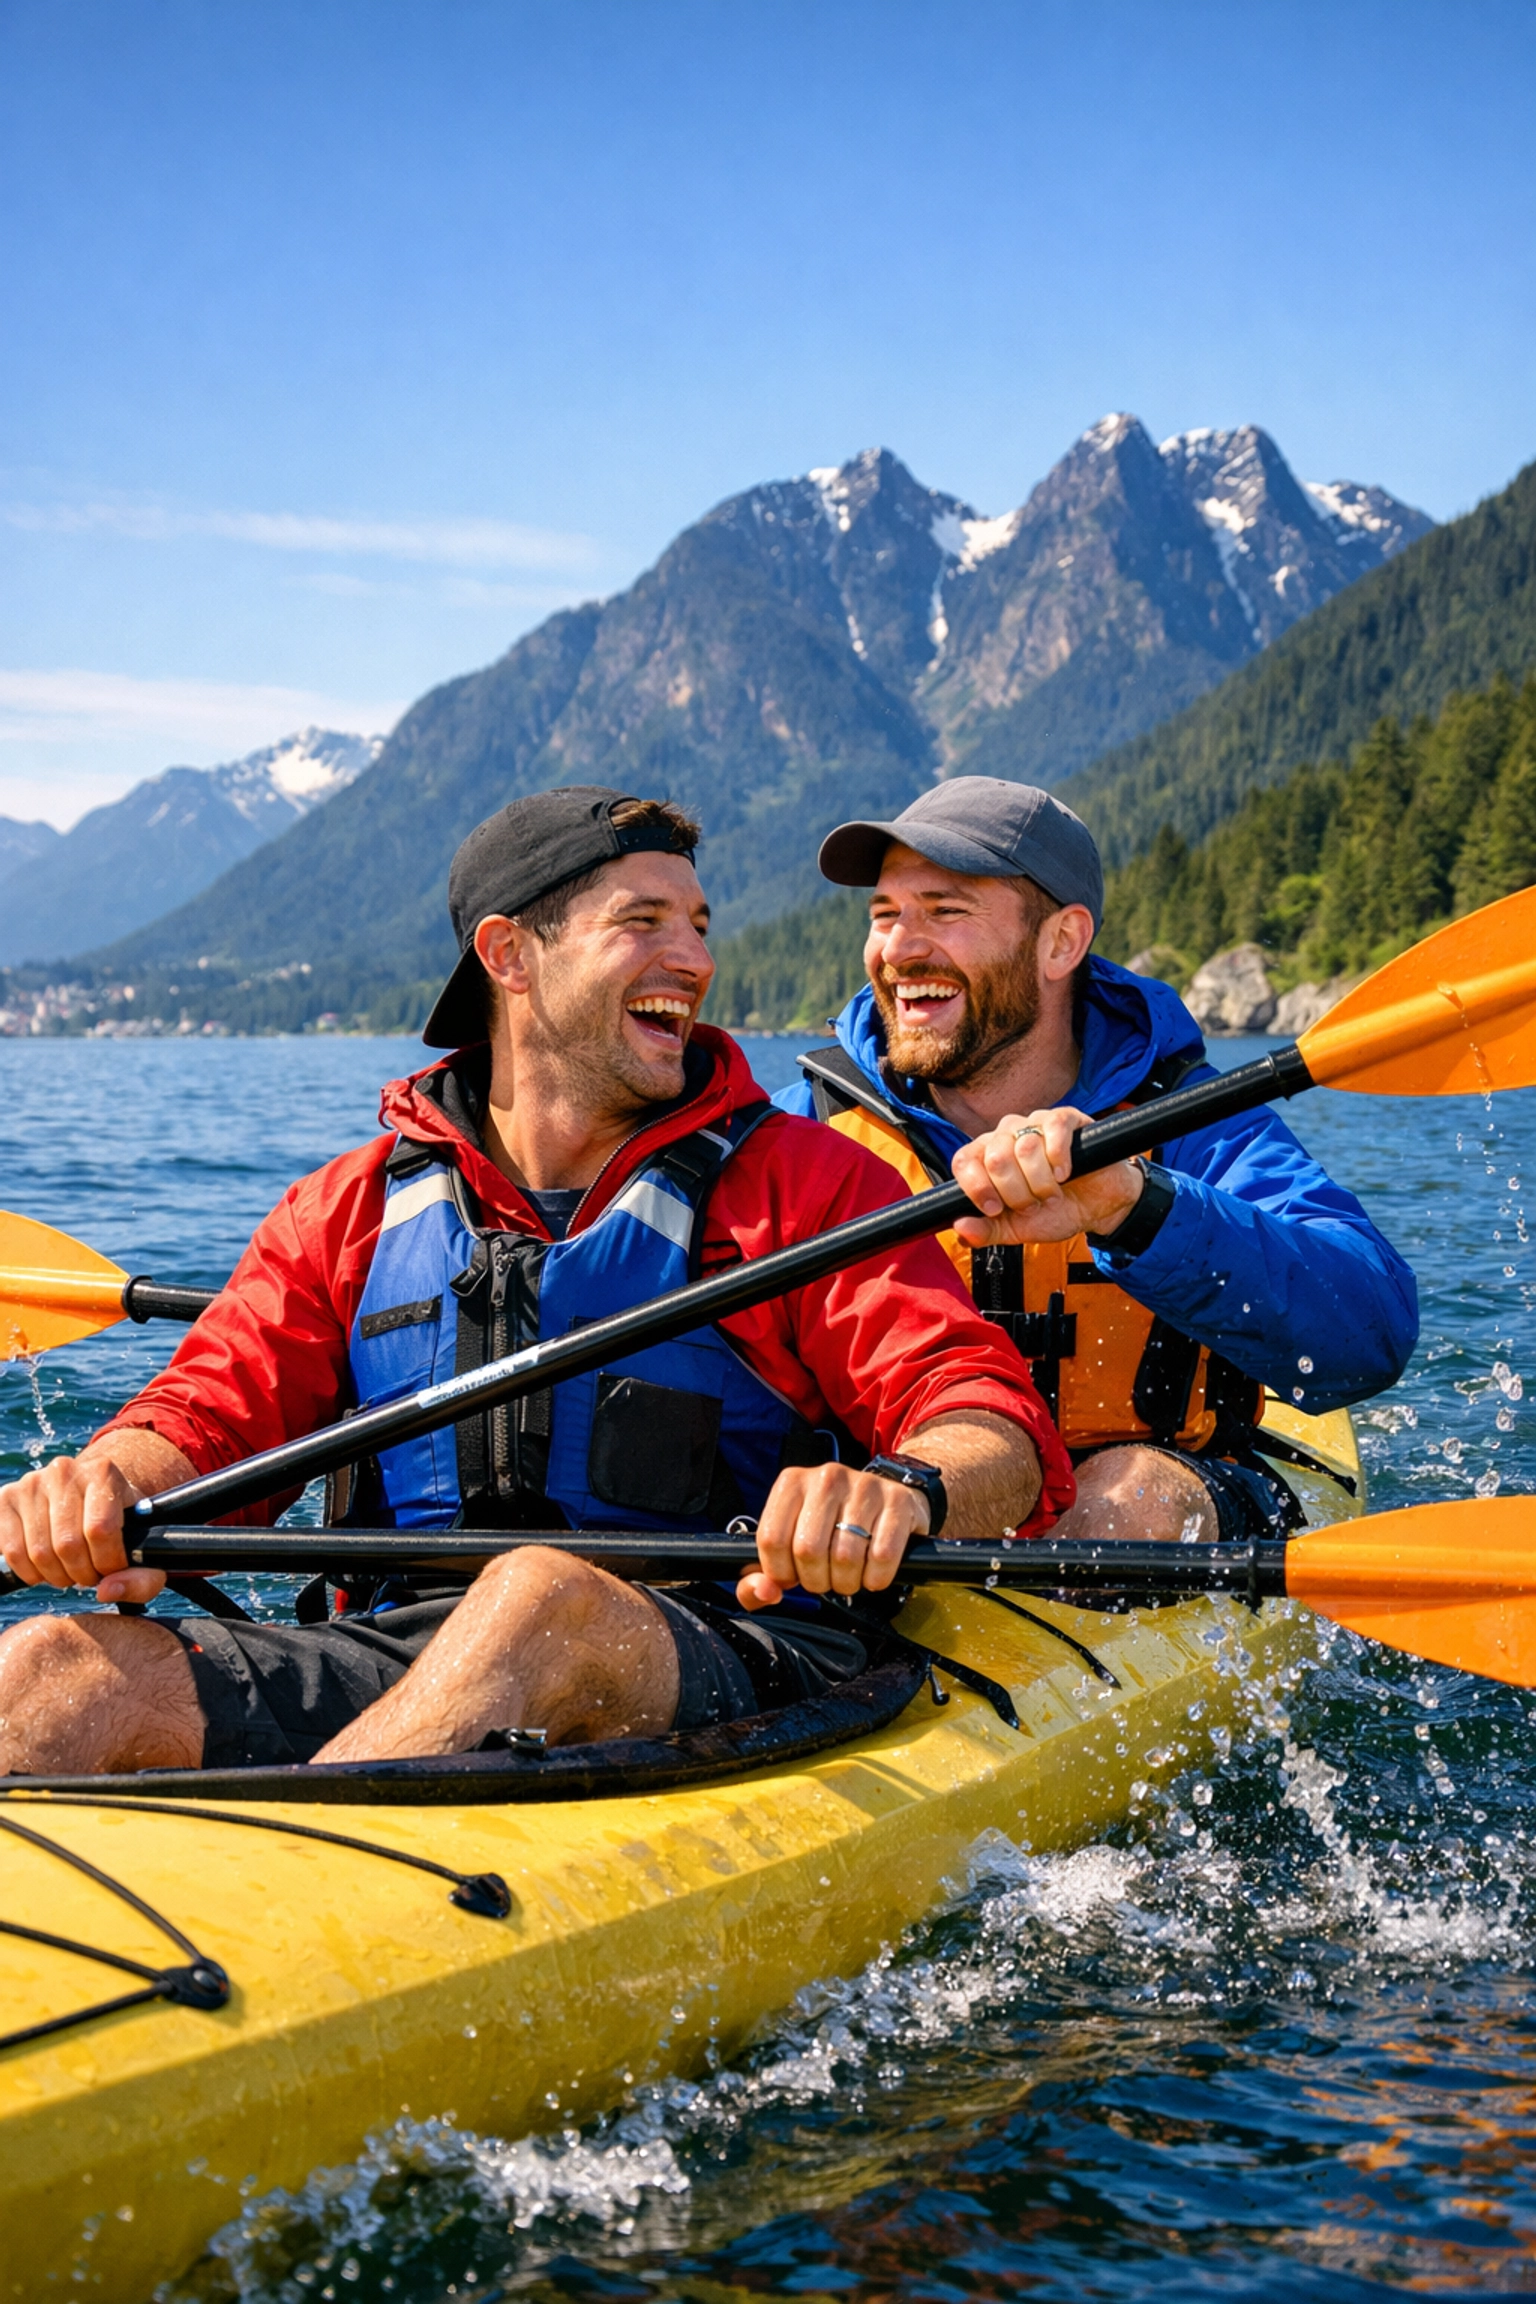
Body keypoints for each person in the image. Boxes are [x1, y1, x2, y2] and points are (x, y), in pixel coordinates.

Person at [0, 787, 1073, 1778]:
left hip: (729, 1644)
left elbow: (988, 1420)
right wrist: (105, 1482)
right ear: (510, 955)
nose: (692, 960)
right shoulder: (349, 1206)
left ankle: (293, 1907)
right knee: (53, 1669)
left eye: (698, 925)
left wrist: (904, 1488)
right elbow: (209, 1414)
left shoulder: (806, 1182)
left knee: (538, 1596)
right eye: (643, 922)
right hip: (402, 1645)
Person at [775, 776, 1419, 1546]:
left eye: (945, 912)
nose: (900, 948)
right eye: (885, 915)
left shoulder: (1186, 1117)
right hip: (899, 1507)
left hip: (1149, 1494)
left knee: (1129, 1497)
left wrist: (1133, 1205)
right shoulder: (804, 1128)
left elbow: (1367, 1339)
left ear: (1062, 942)